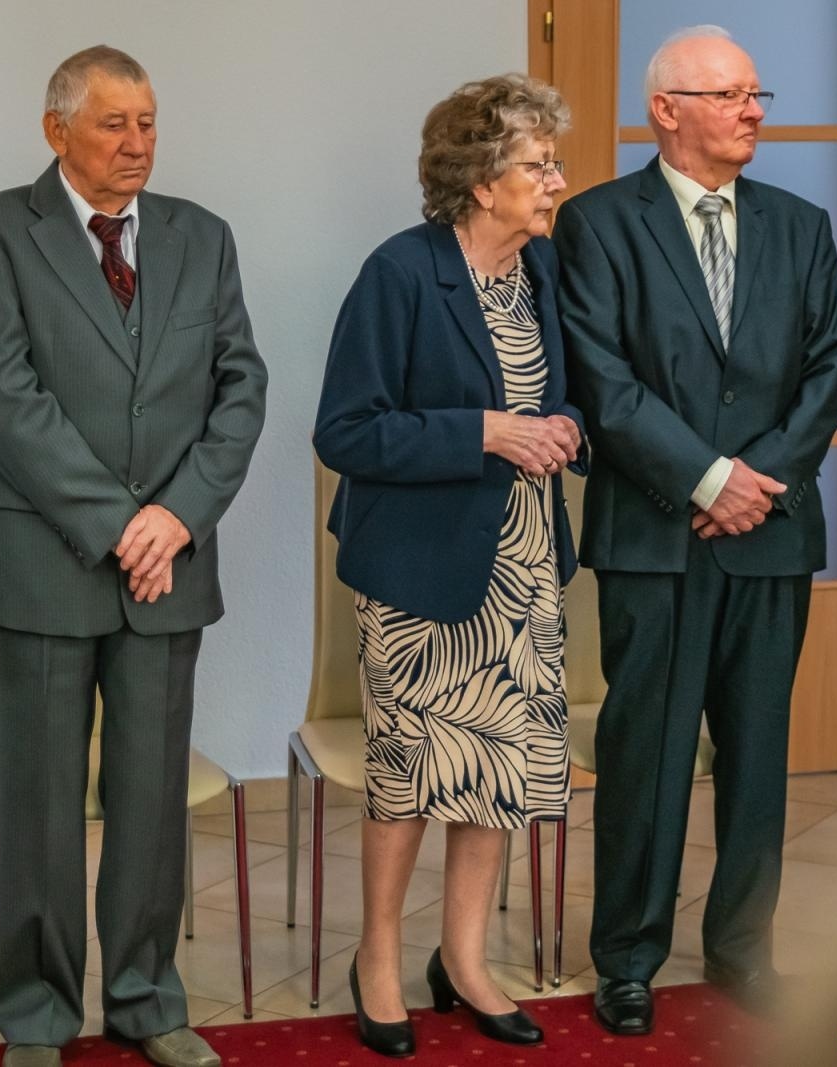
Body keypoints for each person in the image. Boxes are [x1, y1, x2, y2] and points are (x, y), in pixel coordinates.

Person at [0, 44, 267, 1067]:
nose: (136, 144)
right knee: (39, 805)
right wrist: (119, 522)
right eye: (111, 124)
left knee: (150, 800)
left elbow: (239, 389)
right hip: (44, 563)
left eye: (147, 123)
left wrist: (176, 516)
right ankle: (36, 1014)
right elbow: (2, 393)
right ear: (56, 131)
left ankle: (145, 996)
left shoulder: (200, 237)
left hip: (171, 562)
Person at [553, 26, 837, 1034]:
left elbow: (828, 363)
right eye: (729, 95)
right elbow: (601, 376)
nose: (753, 111)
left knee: (757, 750)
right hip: (653, 532)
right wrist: (706, 474)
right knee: (648, 749)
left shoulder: (802, 225)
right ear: (667, 110)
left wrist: (756, 481)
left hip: (769, 531)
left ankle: (740, 948)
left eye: (755, 94)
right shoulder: (594, 224)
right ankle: (629, 956)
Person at [314, 75, 584, 1057]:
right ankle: (377, 956)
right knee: (412, 779)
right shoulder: (400, 272)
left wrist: (559, 429)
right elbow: (345, 429)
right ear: (478, 180)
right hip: (421, 574)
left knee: (498, 774)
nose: (556, 180)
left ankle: (463, 959)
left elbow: (569, 398)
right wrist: (484, 432)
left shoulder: (541, 271)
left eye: (552, 161)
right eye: (537, 164)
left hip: (522, 564)